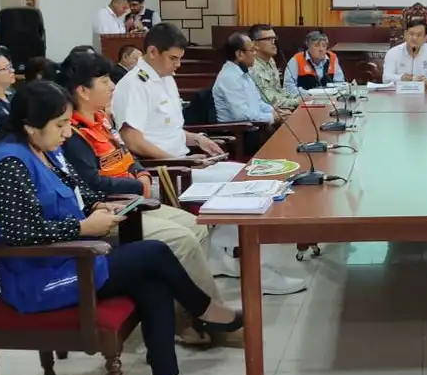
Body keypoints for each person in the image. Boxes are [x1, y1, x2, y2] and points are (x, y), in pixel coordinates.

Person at [0, 80, 242, 375]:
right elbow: (21, 234)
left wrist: (96, 205)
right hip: (40, 278)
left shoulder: (42, 150)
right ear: (30, 126)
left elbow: (75, 190)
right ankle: (204, 310)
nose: (67, 132)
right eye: (60, 125)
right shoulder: (9, 164)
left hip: (70, 257)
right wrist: (83, 228)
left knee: (152, 283)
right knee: (153, 252)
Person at [56, 52, 240, 347]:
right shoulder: (73, 133)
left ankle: (188, 318)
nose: (112, 86)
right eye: (104, 81)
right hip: (113, 209)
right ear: (82, 90)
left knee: (196, 225)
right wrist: (134, 182)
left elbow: (129, 156)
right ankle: (211, 320)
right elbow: (92, 182)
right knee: (181, 239)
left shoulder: (102, 119)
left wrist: (140, 174)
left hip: (135, 198)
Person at [112, 23, 307, 295]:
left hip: (184, 161)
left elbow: (166, 129)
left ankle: (224, 254)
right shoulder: (134, 85)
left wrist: (198, 140)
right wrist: (181, 160)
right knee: (254, 188)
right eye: (173, 58)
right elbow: (133, 140)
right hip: (164, 172)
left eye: (180, 58)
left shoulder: (164, 78)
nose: (178, 64)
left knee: (264, 177)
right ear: (153, 52)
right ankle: (255, 270)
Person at [214, 33, 277, 125]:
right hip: (238, 132)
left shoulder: (244, 72)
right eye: (252, 50)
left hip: (255, 126)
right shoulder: (229, 78)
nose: (255, 54)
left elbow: (258, 103)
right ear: (239, 54)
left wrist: (275, 112)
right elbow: (241, 115)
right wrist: (271, 117)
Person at [247, 24, 300, 111]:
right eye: (268, 39)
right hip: (267, 115)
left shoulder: (270, 60)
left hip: (281, 110)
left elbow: (278, 90)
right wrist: (296, 101)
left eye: (274, 38)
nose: (274, 42)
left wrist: (299, 97)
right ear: (255, 44)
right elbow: (269, 100)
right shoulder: (253, 65)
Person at [382, 19, 427, 87]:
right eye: (411, 34)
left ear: (425, 38)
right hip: (400, 94)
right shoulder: (393, 53)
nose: (414, 38)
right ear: (405, 34)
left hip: (426, 94)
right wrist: (401, 78)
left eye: (419, 35)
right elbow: (386, 78)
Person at [283, 31, 345, 96]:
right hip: (305, 101)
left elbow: (340, 83)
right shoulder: (296, 59)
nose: (321, 49)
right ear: (308, 46)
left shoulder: (332, 58)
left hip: (330, 100)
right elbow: (288, 87)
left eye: (324, 46)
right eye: (316, 45)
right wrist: (307, 95)